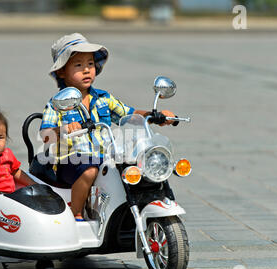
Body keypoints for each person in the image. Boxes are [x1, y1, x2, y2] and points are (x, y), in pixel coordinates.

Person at [40, 33, 177, 221]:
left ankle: (130, 212)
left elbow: (128, 114)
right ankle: (75, 213)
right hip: (71, 160)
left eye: (90, 64)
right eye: (78, 65)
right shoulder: (57, 103)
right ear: (62, 72)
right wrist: (63, 129)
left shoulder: (103, 98)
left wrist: (155, 116)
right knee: (89, 170)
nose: (87, 70)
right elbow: (45, 135)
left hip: (105, 156)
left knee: (137, 164)